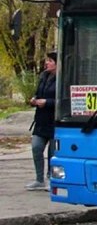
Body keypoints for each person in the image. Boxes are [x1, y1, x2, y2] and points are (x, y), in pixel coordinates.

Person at [26, 51, 57, 191]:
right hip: (41, 120)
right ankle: (39, 180)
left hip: (55, 122)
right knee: (36, 147)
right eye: (47, 60)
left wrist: (48, 102)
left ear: (57, 63)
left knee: (53, 153)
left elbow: (65, 100)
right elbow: (38, 93)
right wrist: (34, 99)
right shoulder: (44, 76)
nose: (47, 63)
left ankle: (52, 179)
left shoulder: (63, 79)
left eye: (50, 60)